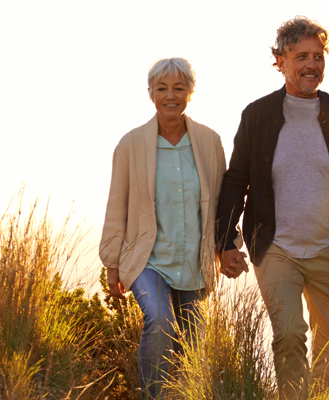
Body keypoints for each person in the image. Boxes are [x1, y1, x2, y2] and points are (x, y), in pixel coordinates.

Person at [214, 16, 329, 397]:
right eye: (301, 56)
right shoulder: (257, 115)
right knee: (290, 335)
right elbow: (235, 181)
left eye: (318, 56)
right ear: (281, 61)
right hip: (276, 249)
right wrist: (225, 242)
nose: (312, 64)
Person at [99, 57, 228, 400]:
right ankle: (153, 396)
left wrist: (229, 247)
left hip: (193, 264)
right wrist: (112, 263)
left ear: (190, 92)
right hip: (148, 261)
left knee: (193, 345)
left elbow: (220, 204)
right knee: (160, 321)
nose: (170, 95)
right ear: (150, 94)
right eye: (162, 88)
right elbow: (117, 206)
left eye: (179, 88)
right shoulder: (131, 145)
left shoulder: (209, 143)